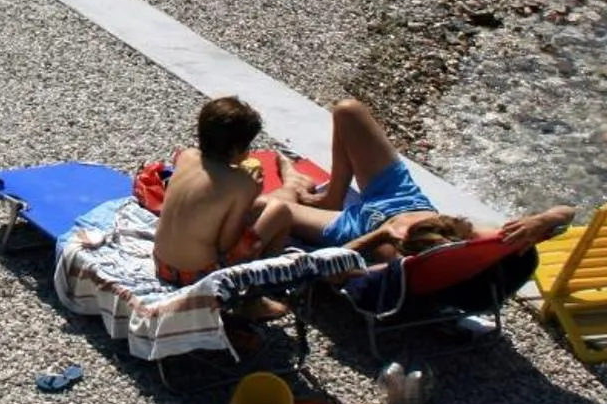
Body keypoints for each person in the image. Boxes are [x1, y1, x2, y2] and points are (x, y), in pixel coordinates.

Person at [256, 97, 575, 256]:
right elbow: (567, 213)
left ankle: (293, 185)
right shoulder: (474, 237)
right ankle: (333, 194)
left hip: (353, 226)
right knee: (348, 110)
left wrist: (379, 236)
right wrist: (543, 219)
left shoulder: (398, 259)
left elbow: (333, 273)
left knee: (269, 206)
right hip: (399, 193)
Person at [154, 95, 280, 287]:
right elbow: (226, 244)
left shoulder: (186, 156)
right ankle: (257, 294)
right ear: (238, 148)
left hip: (162, 264)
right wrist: (252, 191)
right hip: (198, 275)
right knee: (281, 211)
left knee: (265, 205)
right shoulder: (242, 183)